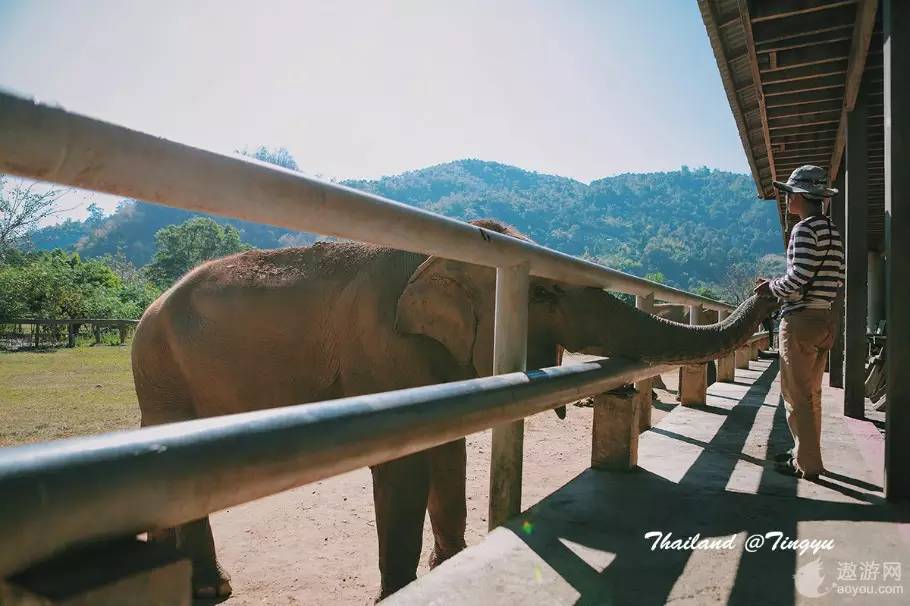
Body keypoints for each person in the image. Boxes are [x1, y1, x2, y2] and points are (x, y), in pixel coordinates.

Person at [754, 165, 845, 480]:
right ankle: (804, 454)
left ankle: (806, 464)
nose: (786, 198)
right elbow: (837, 279)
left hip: (801, 319)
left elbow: (799, 277)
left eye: (789, 193)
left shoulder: (804, 229)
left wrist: (770, 287)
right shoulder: (831, 231)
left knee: (795, 395)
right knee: (812, 393)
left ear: (803, 195)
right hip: (823, 318)